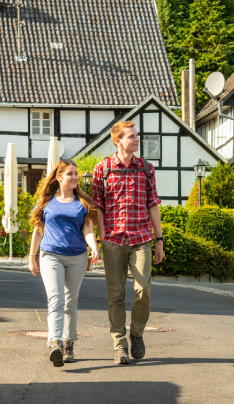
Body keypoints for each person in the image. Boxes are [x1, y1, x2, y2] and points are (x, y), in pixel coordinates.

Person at [91, 120, 164, 365]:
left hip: (141, 237)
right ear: (118, 141)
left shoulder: (146, 168)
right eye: (131, 136)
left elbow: (153, 204)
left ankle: (137, 334)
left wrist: (160, 239)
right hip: (113, 239)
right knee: (116, 294)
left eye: (136, 135)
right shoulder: (102, 169)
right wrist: (102, 237)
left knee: (143, 289)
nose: (136, 139)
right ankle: (119, 345)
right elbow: (97, 207)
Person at [28, 159, 100, 367]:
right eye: (70, 173)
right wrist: (32, 257)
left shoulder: (83, 203)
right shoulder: (46, 201)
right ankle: (54, 344)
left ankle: (68, 344)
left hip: (77, 256)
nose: (75, 177)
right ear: (59, 177)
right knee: (56, 299)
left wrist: (93, 247)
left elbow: (88, 229)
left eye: (76, 173)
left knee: (71, 302)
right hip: (51, 255)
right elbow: (38, 230)